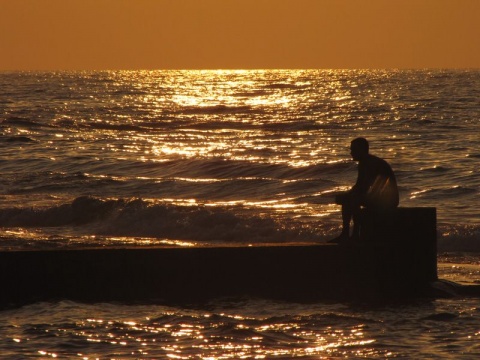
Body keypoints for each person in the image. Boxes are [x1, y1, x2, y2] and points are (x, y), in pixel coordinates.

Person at [330, 137, 399, 243]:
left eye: (353, 150)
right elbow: (360, 186)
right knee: (349, 199)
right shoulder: (365, 162)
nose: (351, 153)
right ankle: (348, 234)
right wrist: (348, 194)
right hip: (378, 197)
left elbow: (363, 188)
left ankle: (353, 234)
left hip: (387, 200)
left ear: (361, 150)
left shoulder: (370, 163)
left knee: (351, 200)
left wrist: (348, 195)